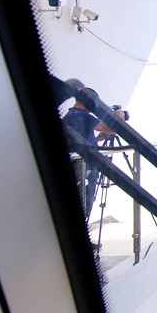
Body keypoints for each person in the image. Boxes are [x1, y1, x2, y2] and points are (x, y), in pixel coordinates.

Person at [62, 86, 124, 217]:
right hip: (84, 169)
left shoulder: (71, 115)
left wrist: (97, 139)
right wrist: (119, 115)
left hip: (80, 168)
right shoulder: (81, 115)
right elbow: (109, 129)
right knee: (85, 203)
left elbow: (79, 140)